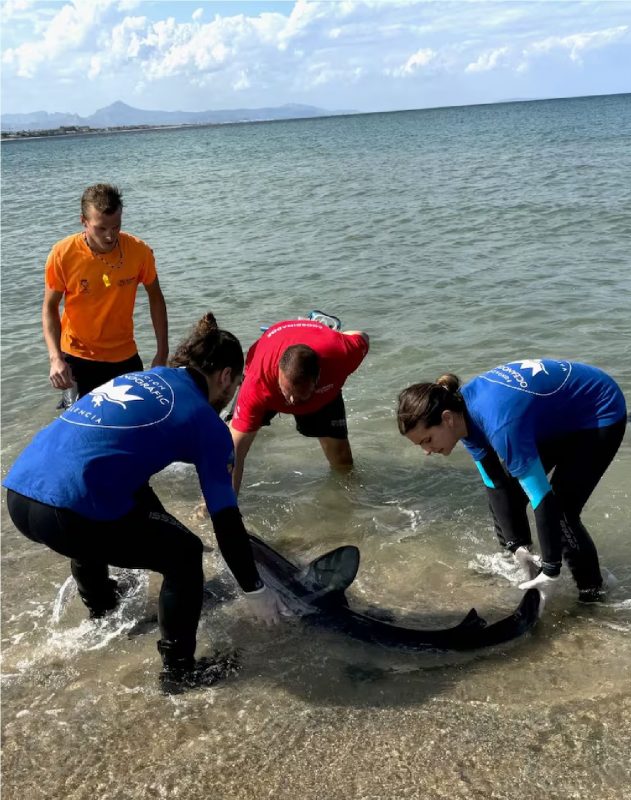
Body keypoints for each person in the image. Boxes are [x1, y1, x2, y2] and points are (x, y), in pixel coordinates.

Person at [3, 313, 283, 694]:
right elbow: (225, 516)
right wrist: (254, 589)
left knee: (104, 498)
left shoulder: (145, 378)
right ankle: (179, 673)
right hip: (68, 513)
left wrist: (160, 523)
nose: (231, 395)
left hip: (20, 494)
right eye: (235, 385)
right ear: (225, 375)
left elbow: (120, 471)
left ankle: (102, 610)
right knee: (185, 553)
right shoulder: (205, 421)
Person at [397, 359, 627, 606]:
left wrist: (551, 570)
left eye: (427, 440)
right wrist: (516, 546)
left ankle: (593, 595)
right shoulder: (462, 418)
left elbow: (542, 497)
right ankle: (530, 564)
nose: (427, 451)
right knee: (512, 490)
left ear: (446, 419)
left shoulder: (500, 424)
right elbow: (495, 484)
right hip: (556, 415)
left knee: (562, 512)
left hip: (599, 409)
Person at [43, 183, 169, 399]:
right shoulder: (62, 254)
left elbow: (156, 298)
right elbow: (50, 306)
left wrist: (162, 352)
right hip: (77, 357)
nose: (110, 236)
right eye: (101, 228)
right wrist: (56, 358)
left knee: (135, 424)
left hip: (125, 355)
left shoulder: (139, 252)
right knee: (83, 428)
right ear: (84, 221)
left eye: (116, 227)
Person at [228, 318, 370, 494]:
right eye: (287, 393)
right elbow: (234, 454)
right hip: (267, 372)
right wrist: (223, 506)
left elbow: (362, 336)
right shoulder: (258, 383)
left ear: (317, 378)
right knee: (230, 443)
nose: (292, 401)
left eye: (300, 395)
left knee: (343, 462)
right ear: (278, 372)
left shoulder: (342, 355)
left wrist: (336, 335)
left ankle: (349, 500)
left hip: (322, 369)